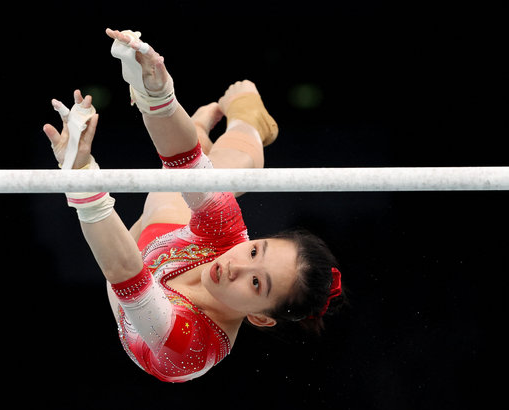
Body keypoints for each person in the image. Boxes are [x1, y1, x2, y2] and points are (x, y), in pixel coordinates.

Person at [42, 29, 345, 382]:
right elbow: (183, 162)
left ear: (260, 318)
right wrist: (156, 92)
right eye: (253, 252)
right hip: (166, 235)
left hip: (134, 281)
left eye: (257, 284)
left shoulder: (193, 348)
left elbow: (124, 273)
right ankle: (248, 121)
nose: (235, 266)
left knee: (176, 196)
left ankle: (207, 128)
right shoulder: (228, 239)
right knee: (208, 178)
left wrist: (81, 175)